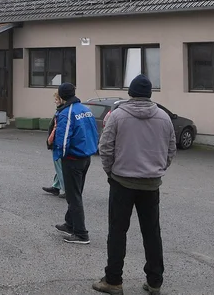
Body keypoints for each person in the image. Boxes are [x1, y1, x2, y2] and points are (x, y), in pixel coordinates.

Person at [92, 74, 176, 295]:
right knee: (152, 232)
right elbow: (171, 150)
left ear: (130, 93)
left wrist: (110, 172)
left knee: (117, 231)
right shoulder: (164, 117)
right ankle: (155, 281)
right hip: (151, 184)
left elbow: (106, 146)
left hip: (122, 182)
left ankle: (114, 280)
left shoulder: (118, 116)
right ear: (150, 94)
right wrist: (157, 169)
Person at [53, 82, 98, 245]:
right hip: (85, 157)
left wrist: (59, 155)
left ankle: (81, 233)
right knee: (76, 192)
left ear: (62, 96)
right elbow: (94, 131)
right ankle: (70, 223)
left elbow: (63, 139)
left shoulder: (66, 113)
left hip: (72, 158)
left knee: (74, 196)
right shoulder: (85, 110)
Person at [42, 90, 66, 198]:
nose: (55, 102)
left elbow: (55, 129)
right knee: (59, 166)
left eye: (56, 100)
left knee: (60, 167)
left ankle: (65, 190)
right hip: (59, 144)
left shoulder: (60, 113)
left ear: (61, 100)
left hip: (57, 145)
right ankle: (56, 187)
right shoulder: (62, 111)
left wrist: (49, 141)